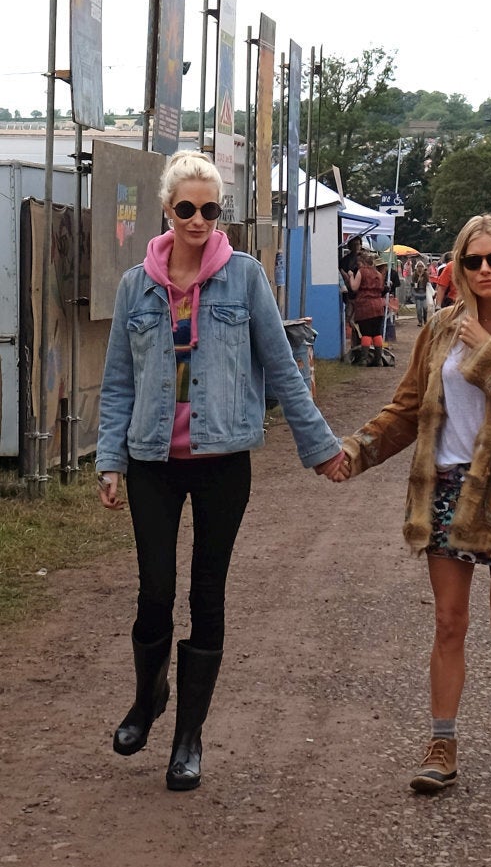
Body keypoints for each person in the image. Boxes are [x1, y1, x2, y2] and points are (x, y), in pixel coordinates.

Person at [96, 150, 346, 792]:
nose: (200, 219)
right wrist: (109, 461)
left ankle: (188, 736)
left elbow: (283, 365)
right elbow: (118, 380)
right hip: (152, 458)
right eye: (188, 208)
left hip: (222, 461)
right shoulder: (135, 286)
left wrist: (318, 445)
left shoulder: (245, 277)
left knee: (207, 592)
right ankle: (149, 696)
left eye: (211, 208)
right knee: (155, 591)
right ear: (167, 211)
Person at [325, 214, 491, 793]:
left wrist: (487, 353)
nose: (484, 271)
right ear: (457, 265)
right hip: (444, 487)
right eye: (473, 261)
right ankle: (442, 744)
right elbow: (407, 409)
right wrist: (356, 450)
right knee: (448, 622)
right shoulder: (437, 329)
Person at [347, 251, 386, 366]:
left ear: (362, 262)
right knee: (377, 333)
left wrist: (350, 276)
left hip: (366, 306)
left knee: (366, 333)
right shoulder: (378, 274)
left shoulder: (362, 271)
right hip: (379, 306)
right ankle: (378, 360)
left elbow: (354, 287)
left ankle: (364, 360)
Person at [411, 260, 430, 326]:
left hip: (424, 292)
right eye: (419, 266)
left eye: (421, 266)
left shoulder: (425, 274)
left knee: (425, 307)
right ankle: (420, 321)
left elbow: (428, 282)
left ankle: (425, 320)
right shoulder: (414, 274)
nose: (420, 268)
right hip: (417, 292)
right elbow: (412, 283)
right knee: (418, 309)